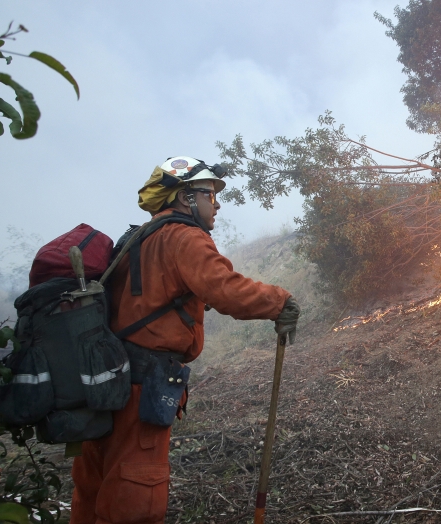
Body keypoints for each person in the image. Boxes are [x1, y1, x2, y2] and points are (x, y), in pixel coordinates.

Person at [70, 156, 299, 524]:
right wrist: (279, 301)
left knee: (93, 494)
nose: (217, 204)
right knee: (134, 497)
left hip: (103, 387)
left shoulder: (138, 238)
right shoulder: (183, 236)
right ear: (185, 197)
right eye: (211, 194)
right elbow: (225, 290)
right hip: (140, 392)